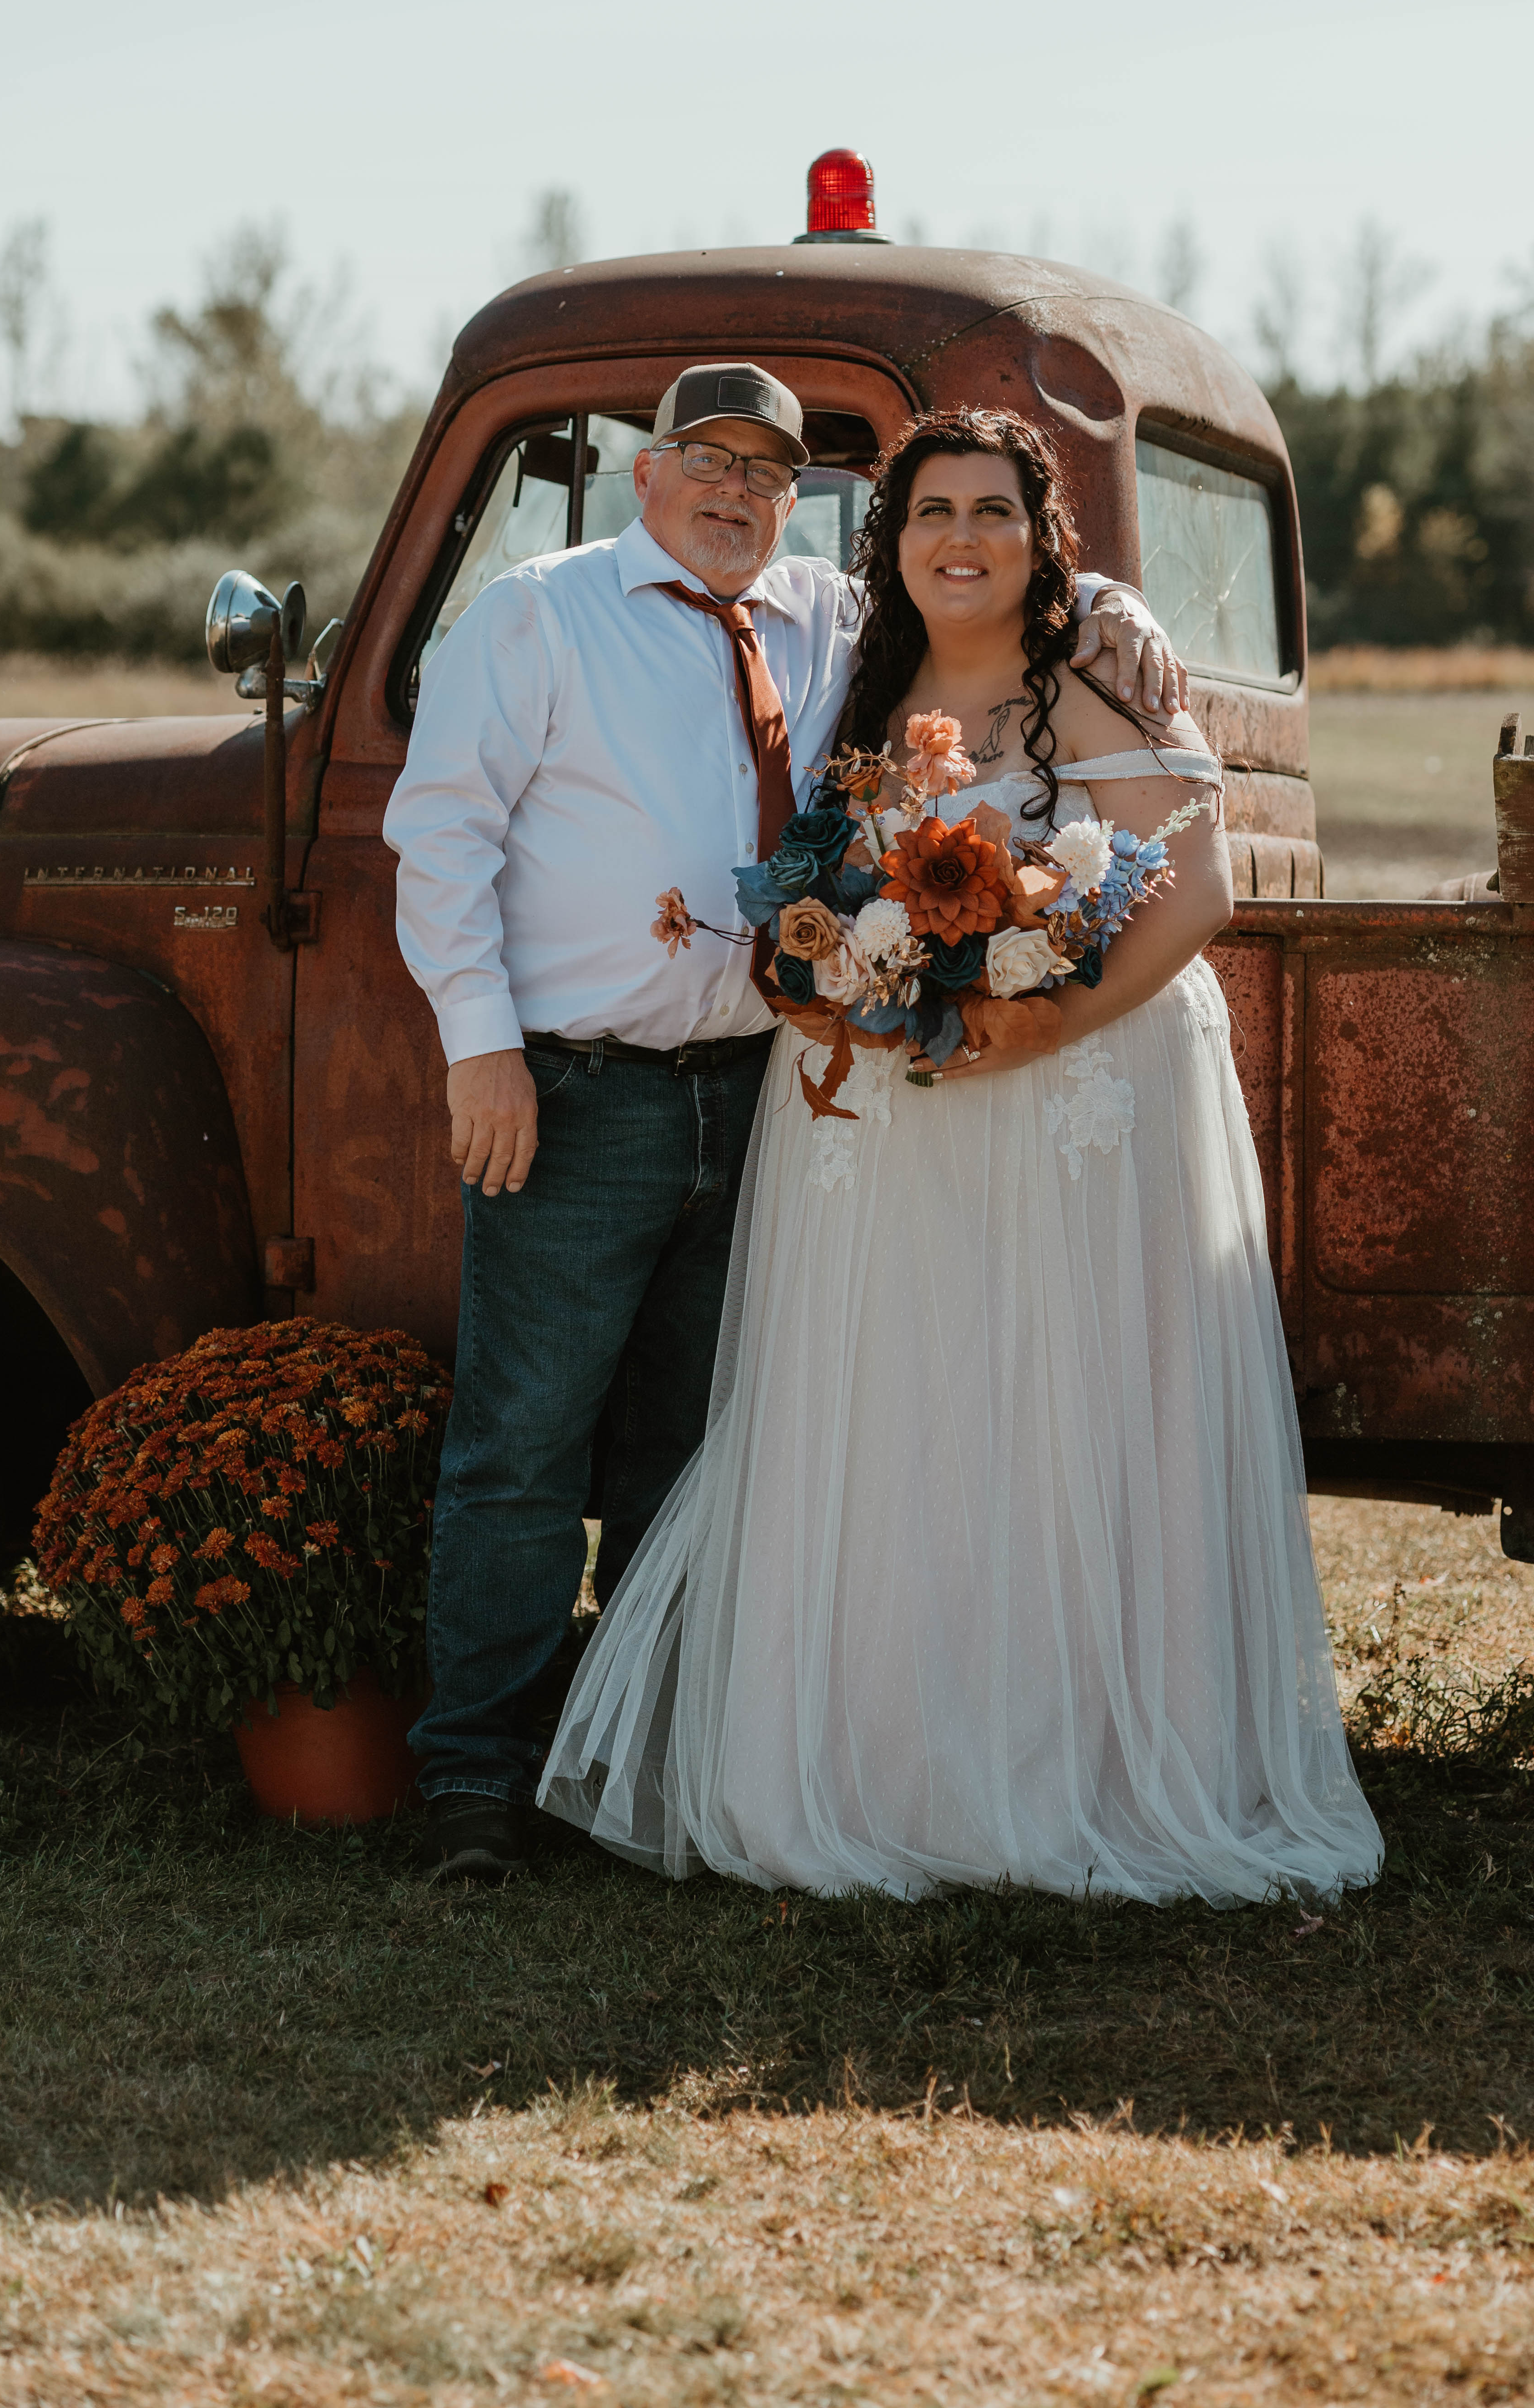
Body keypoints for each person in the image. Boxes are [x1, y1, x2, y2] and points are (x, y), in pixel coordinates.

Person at [540, 405, 1383, 1905]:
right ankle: (901, 1762)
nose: (963, 539)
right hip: (900, 1115)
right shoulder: (866, 680)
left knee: (1065, 1408)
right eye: (934, 511)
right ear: (894, 537)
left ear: (1043, 539)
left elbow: (1196, 890)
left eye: (995, 511)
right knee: (916, 1411)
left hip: (1073, 1100)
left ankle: (1083, 1761)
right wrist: (851, 978)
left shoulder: (1092, 671)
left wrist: (1047, 1022)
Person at [384, 362, 1179, 1882]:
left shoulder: (826, 615)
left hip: (771, 1093)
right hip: (579, 1091)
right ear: (646, 476)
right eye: (709, 460)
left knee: (698, 1454)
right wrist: (479, 1049)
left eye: (769, 471)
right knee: (524, 1448)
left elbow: (987, 584)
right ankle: (475, 1774)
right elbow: (442, 831)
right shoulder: (539, 615)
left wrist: (1114, 610)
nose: (738, 493)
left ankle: (636, 1761)